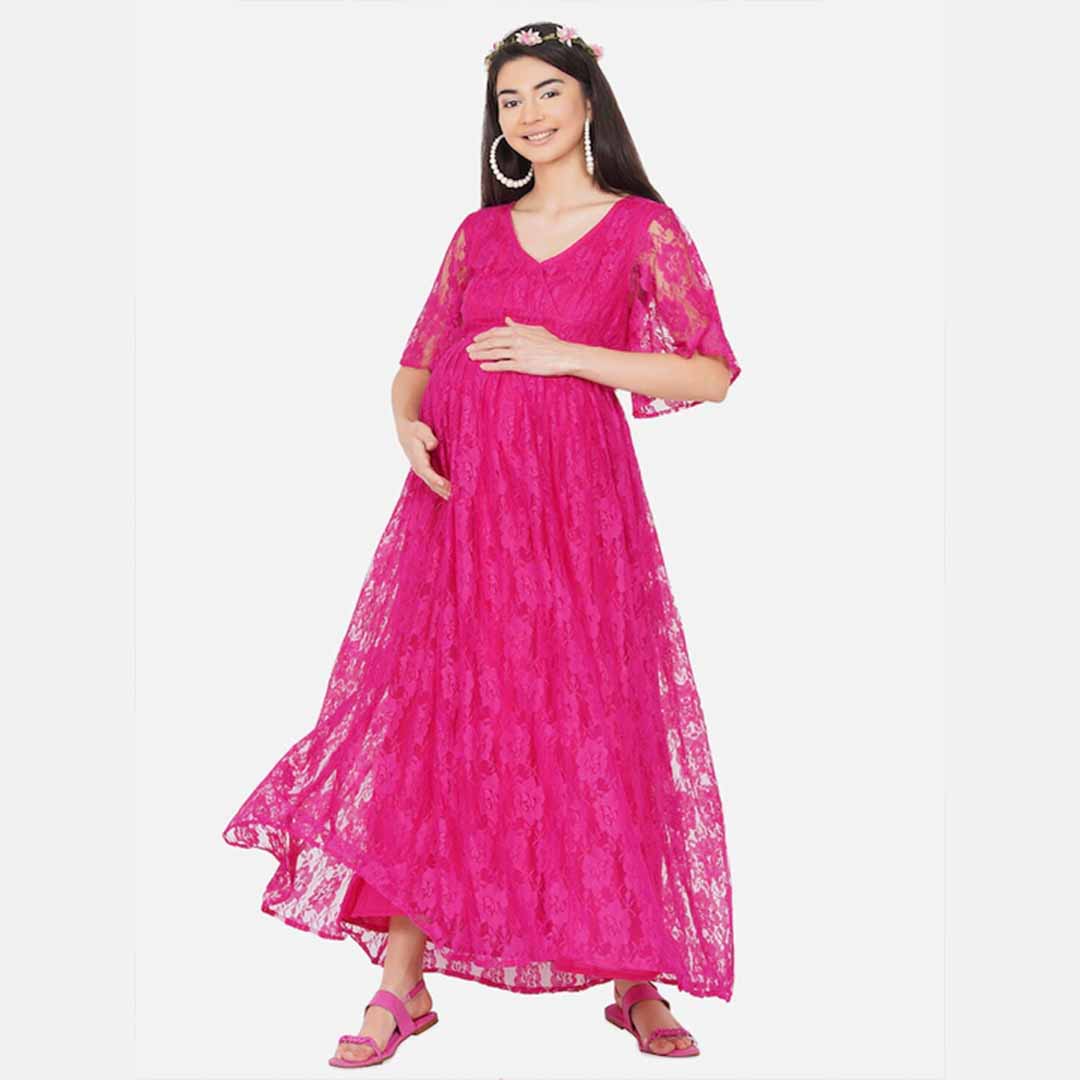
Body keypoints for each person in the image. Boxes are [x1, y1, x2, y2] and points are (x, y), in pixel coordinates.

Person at [222, 20, 742, 1069]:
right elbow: (416, 361)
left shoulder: (642, 228)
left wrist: (567, 355)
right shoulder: (477, 234)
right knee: (442, 724)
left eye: (548, 92)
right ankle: (400, 982)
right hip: (462, 521)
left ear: (588, 102)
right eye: (511, 100)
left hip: (578, 518)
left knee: (598, 717)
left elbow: (710, 372)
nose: (530, 114)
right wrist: (406, 422)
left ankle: (636, 974)